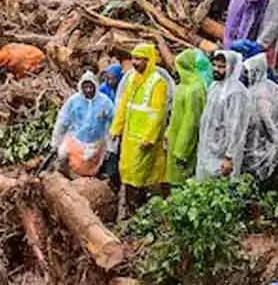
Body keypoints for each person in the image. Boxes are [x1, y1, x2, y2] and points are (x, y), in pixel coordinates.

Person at [110, 43, 170, 215]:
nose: (135, 63)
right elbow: (123, 106)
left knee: (141, 174)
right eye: (133, 59)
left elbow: (158, 114)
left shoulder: (157, 83)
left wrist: (149, 138)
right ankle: (131, 210)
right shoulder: (131, 79)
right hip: (129, 137)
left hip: (145, 139)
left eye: (139, 59)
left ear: (148, 60)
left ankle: (142, 209)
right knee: (128, 171)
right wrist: (116, 128)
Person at [196, 50, 251, 180]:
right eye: (215, 65)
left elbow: (236, 126)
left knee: (220, 189)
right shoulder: (215, 86)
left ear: (231, 68)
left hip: (223, 152)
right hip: (208, 148)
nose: (216, 69)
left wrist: (229, 156)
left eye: (221, 67)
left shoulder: (236, 92)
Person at [51, 72, 116, 177]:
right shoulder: (73, 101)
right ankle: (62, 175)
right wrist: (55, 142)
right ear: (81, 87)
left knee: (96, 164)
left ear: (96, 86)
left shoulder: (105, 102)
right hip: (76, 139)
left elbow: (113, 123)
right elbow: (62, 122)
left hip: (96, 142)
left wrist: (111, 147)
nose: (88, 90)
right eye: (85, 87)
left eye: (91, 87)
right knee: (62, 154)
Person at [165, 49, 208, 187]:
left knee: (182, 183)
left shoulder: (195, 89)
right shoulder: (183, 86)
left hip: (184, 147)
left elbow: (191, 122)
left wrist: (182, 151)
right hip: (175, 140)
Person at [243, 54, 278, 182]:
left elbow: (265, 117)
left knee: (254, 174)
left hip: (259, 141)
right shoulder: (271, 87)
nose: (246, 75)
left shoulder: (259, 93)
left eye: (247, 72)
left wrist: (274, 139)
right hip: (260, 138)